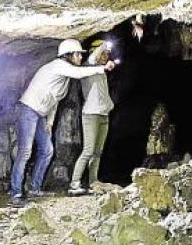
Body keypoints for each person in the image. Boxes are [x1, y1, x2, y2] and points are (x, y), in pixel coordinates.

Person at [10, 39, 115, 204]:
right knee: (25, 152)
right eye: (78, 54)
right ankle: (15, 193)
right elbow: (80, 73)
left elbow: (55, 99)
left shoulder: (64, 77)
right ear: (69, 55)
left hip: (41, 114)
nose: (80, 58)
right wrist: (103, 67)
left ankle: (34, 189)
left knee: (47, 151)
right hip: (29, 110)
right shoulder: (58, 65)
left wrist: (50, 121)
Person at [68, 42, 115, 196]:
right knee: (88, 150)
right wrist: (105, 44)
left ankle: (92, 182)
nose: (105, 56)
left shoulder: (101, 71)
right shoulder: (88, 66)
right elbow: (95, 56)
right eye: (103, 53)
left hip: (103, 114)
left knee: (97, 152)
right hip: (91, 114)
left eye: (107, 54)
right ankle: (74, 184)